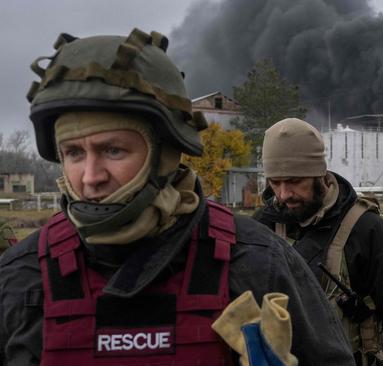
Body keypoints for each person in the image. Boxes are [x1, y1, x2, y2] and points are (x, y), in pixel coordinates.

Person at [0, 29, 355, 365]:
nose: (91, 176)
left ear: (165, 152)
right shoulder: (22, 277)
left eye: (113, 150)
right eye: (74, 153)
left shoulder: (255, 263)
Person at [254, 118, 383, 365]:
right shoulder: (264, 226)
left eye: (294, 181)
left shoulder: (366, 229)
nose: (283, 194)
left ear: (319, 174)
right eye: (275, 182)